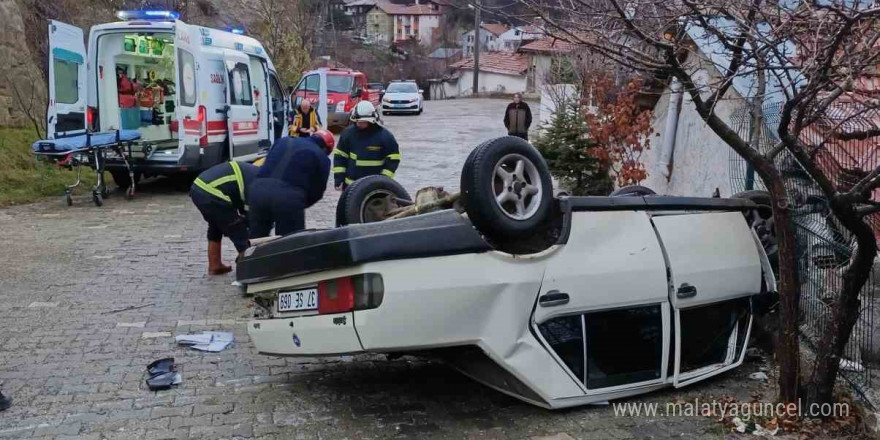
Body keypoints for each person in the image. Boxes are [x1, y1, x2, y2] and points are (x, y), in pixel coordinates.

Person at [248, 130, 335, 238]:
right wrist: (300, 202)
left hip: (258, 191)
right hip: (288, 197)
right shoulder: (322, 157)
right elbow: (317, 191)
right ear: (326, 148)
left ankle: (253, 254)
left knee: (256, 240)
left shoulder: (283, 141)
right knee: (290, 243)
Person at [190, 160, 260, 275]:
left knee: (215, 227)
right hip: (212, 193)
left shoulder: (253, 173)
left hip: (198, 189)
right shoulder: (257, 183)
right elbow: (250, 216)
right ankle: (251, 270)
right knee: (238, 229)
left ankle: (215, 265)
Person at [333, 101, 401, 190]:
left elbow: (393, 158)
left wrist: (384, 179)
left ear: (371, 120)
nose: (359, 124)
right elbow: (340, 157)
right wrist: (339, 179)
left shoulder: (385, 136)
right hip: (351, 186)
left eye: (362, 121)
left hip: (376, 186)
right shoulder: (348, 134)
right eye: (357, 121)